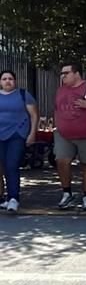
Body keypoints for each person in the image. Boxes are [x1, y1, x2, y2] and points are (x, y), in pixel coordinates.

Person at [53, 62, 86, 211]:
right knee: (61, 160)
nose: (63, 76)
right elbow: (57, 108)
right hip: (64, 134)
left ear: (77, 74)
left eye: (66, 73)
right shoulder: (60, 90)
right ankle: (67, 193)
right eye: (62, 74)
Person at [0, 70, 39, 213]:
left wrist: (32, 134)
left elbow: (34, 115)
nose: (7, 81)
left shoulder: (23, 95)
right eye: (4, 79)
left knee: (12, 165)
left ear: (15, 81)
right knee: (2, 166)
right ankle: (4, 198)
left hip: (17, 134)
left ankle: (13, 198)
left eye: (10, 78)